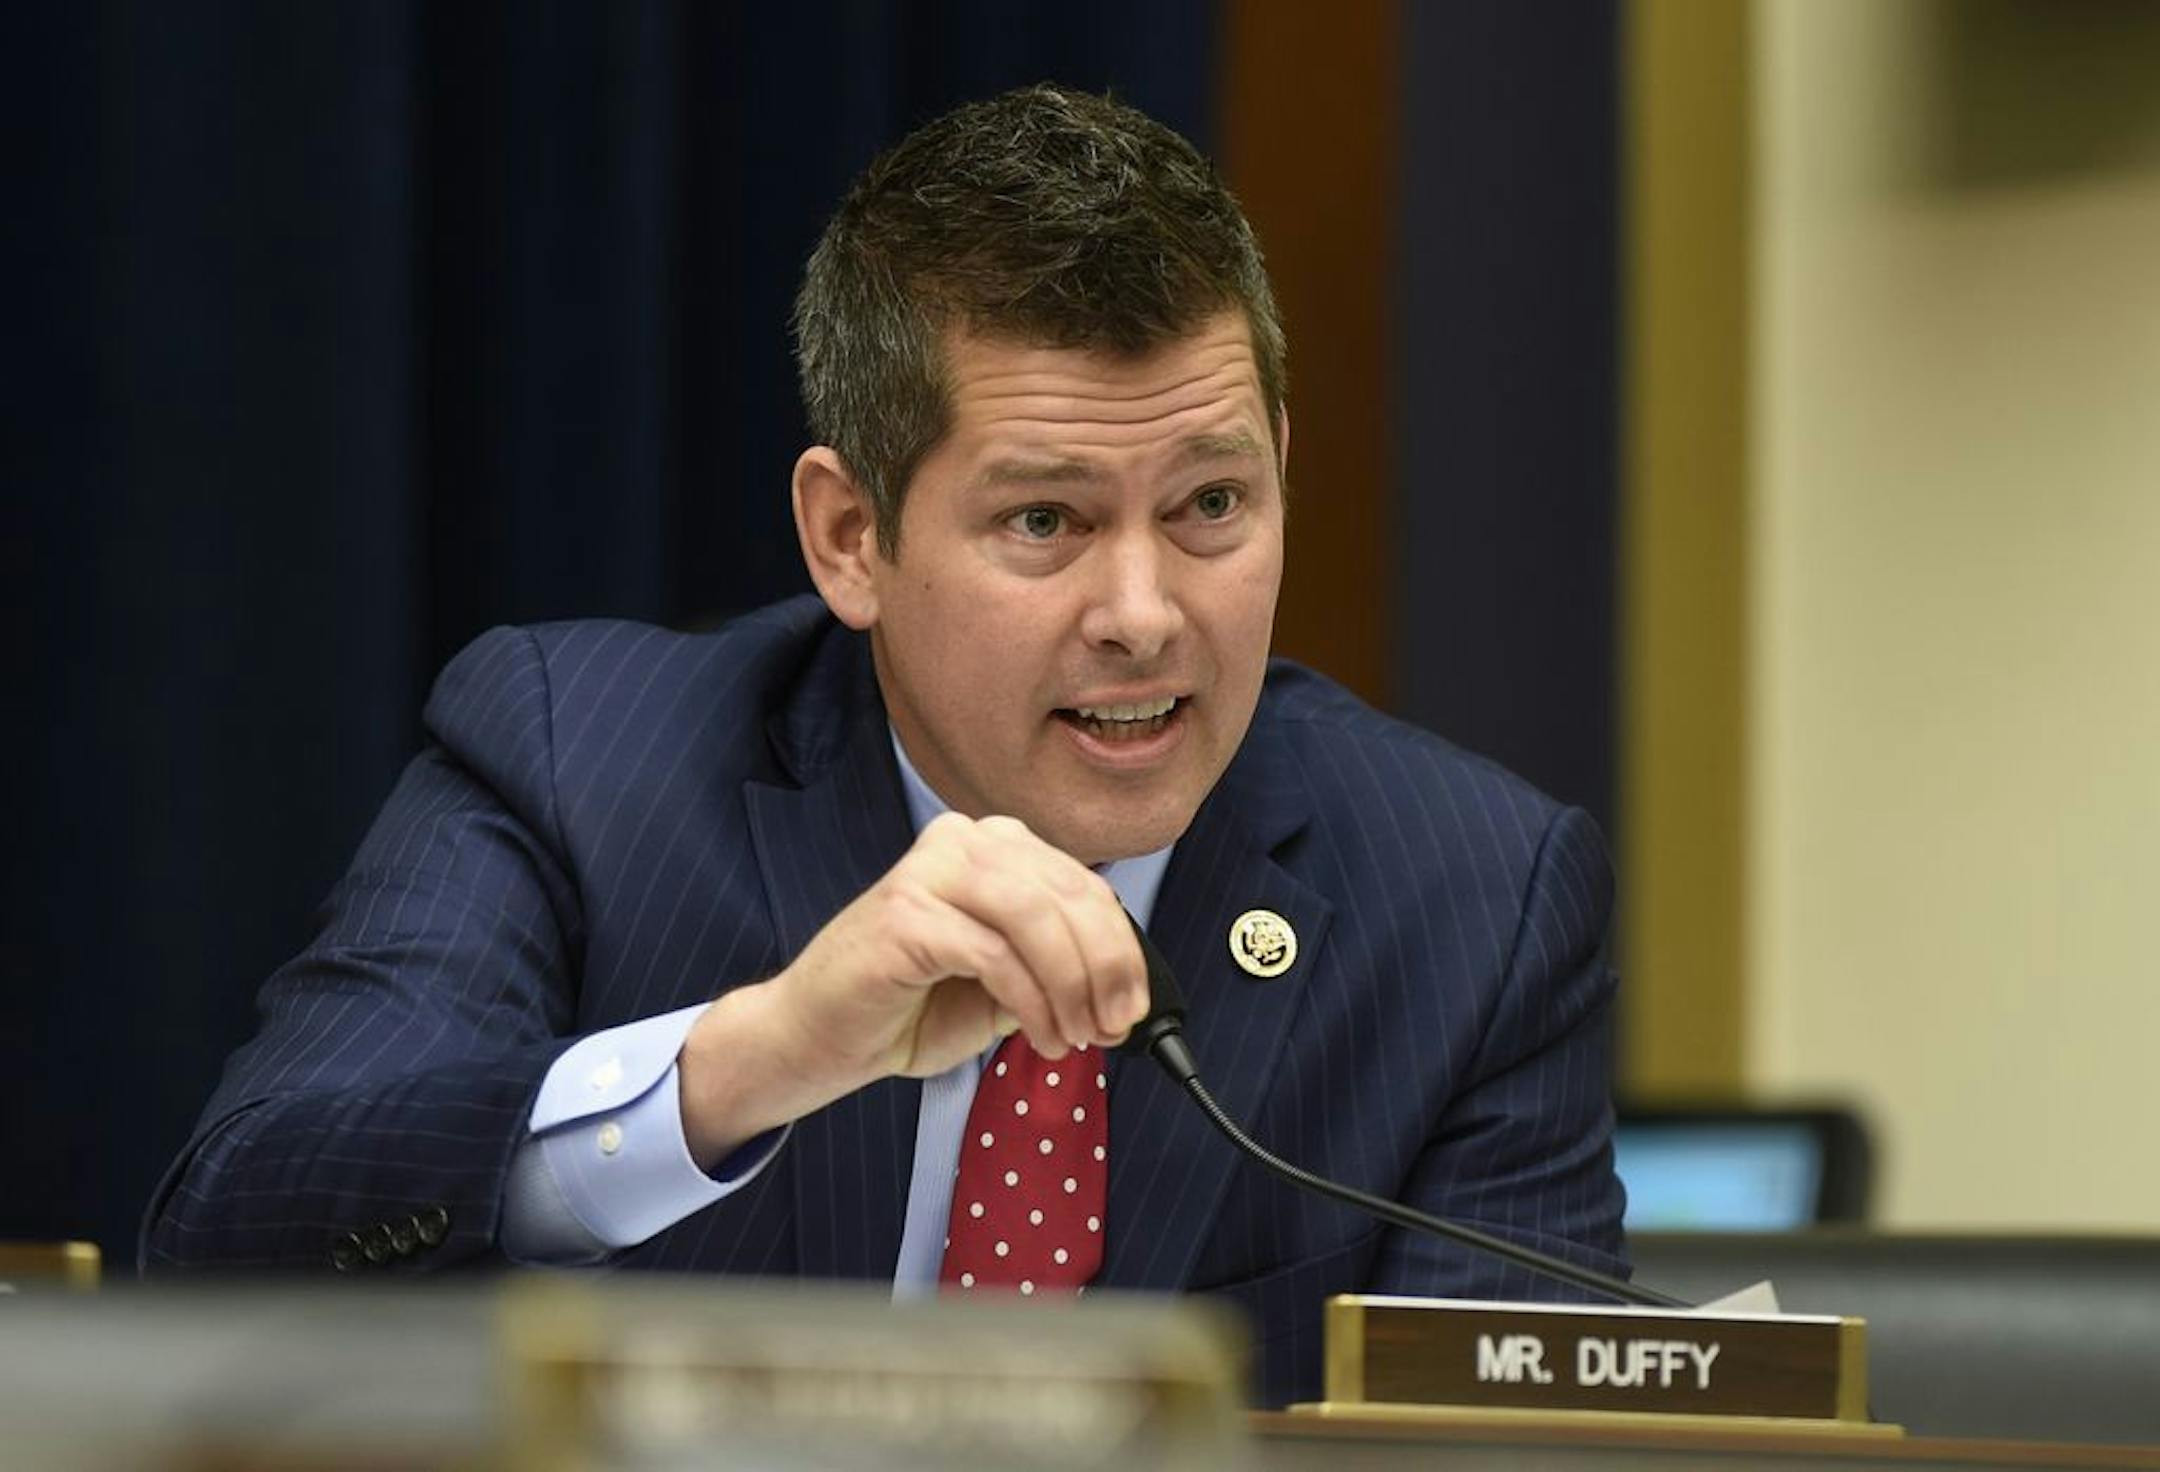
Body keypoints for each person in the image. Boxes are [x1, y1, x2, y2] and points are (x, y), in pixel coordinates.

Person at [143, 84, 1627, 1406]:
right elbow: (229, 1245)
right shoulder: (581, 768)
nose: (1144, 613)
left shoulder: (1476, 900)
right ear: (851, 538)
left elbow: (1535, 1442)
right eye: (1044, 520)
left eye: (1211, 506)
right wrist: (751, 1062)